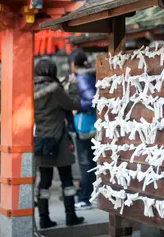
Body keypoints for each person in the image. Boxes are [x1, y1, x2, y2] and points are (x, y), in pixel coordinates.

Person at [34, 59, 84, 229]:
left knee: (44, 182)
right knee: (67, 180)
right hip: (59, 141)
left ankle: (43, 218)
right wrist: (74, 87)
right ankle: (71, 216)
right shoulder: (55, 91)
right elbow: (74, 104)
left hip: (41, 141)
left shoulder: (31, 89)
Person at [68, 50, 97, 211]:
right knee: (90, 162)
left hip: (84, 126)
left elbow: (91, 99)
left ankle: (86, 198)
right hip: (89, 124)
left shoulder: (82, 78)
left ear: (73, 63)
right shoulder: (88, 76)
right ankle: (89, 195)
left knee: (86, 162)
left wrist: (76, 107)